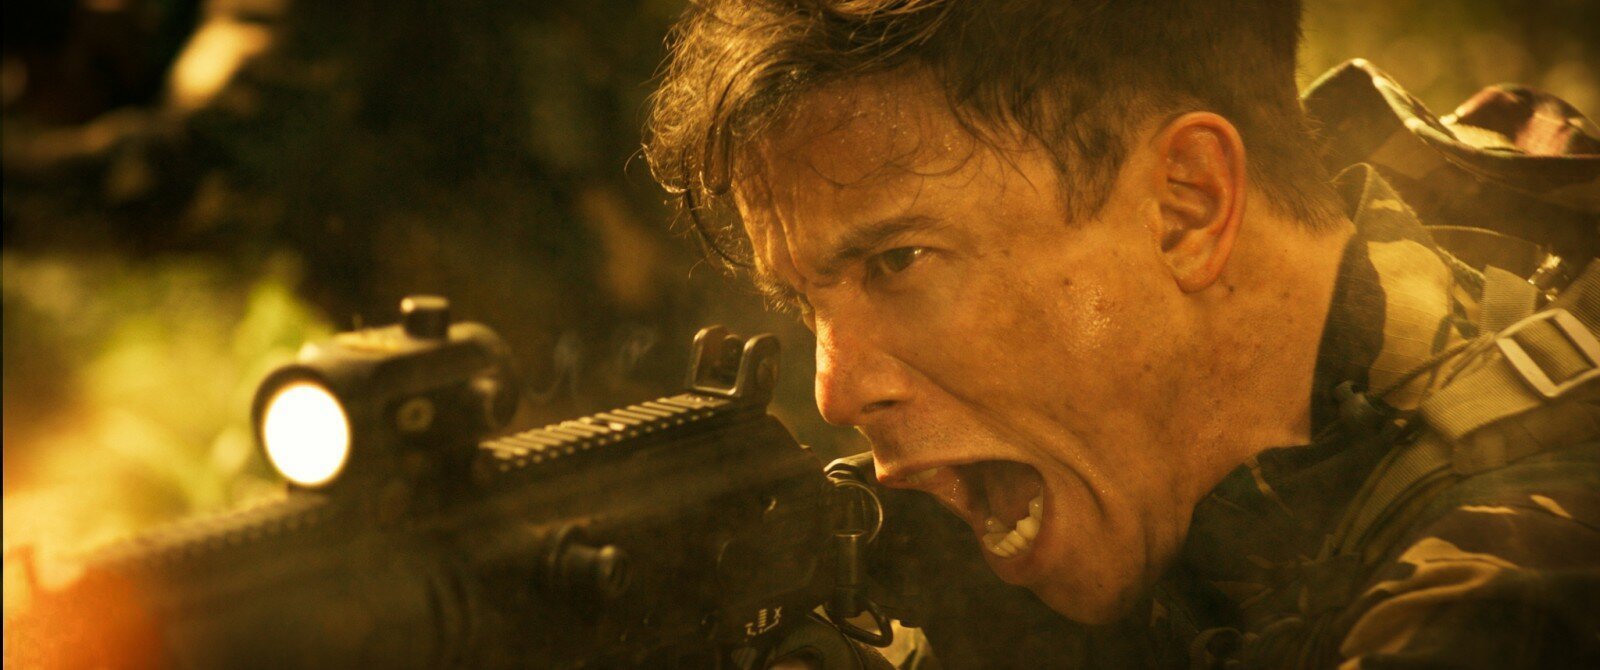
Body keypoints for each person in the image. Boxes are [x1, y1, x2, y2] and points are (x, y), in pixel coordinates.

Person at [644, 1, 1600, 667]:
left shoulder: (1510, 581)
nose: (835, 392)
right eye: (805, 301)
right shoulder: (1159, 484)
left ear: (1186, 206)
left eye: (897, 262)